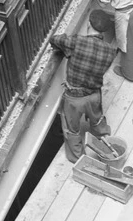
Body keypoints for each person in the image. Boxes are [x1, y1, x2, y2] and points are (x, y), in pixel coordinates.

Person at [49, 9, 118, 163]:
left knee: (71, 129)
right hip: (94, 96)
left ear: (88, 24)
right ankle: (103, 136)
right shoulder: (111, 51)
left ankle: (77, 158)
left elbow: (55, 39)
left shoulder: (77, 42)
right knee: (97, 119)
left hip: (74, 98)